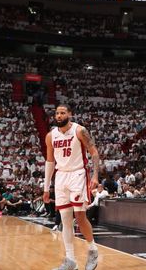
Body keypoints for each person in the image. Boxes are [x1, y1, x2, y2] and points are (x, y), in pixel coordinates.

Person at [43, 104, 101, 270]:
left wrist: (95, 175)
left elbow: (94, 153)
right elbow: (50, 162)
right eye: (57, 113)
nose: (59, 115)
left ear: (69, 114)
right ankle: (70, 260)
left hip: (77, 174)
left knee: (80, 216)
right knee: (65, 220)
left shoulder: (79, 131)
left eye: (62, 113)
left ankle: (92, 249)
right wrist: (46, 188)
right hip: (61, 177)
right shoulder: (50, 136)